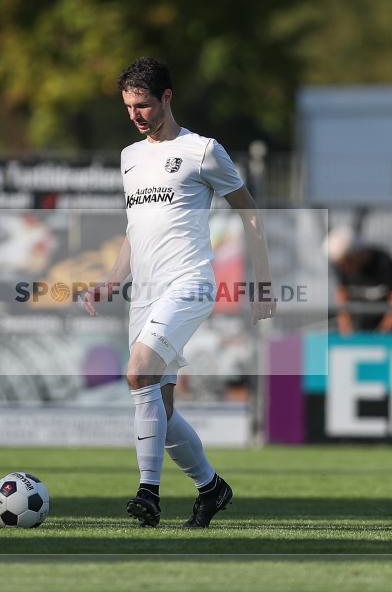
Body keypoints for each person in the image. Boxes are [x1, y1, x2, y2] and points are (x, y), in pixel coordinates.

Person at [81, 57, 275, 528]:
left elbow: (249, 212)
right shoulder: (130, 157)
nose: (135, 115)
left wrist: (264, 282)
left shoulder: (202, 151)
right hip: (144, 294)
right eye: (128, 107)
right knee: (160, 410)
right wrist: (112, 280)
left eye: (143, 105)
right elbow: (136, 229)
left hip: (189, 283)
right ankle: (211, 489)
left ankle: (148, 494)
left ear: (167, 97)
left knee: (138, 372)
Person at [324, 227, 392, 335]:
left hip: (390, 335)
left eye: (347, 262)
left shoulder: (383, 262)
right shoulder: (342, 268)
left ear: (356, 253)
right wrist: (346, 331)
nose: (344, 269)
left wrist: (382, 333)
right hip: (361, 331)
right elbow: (342, 297)